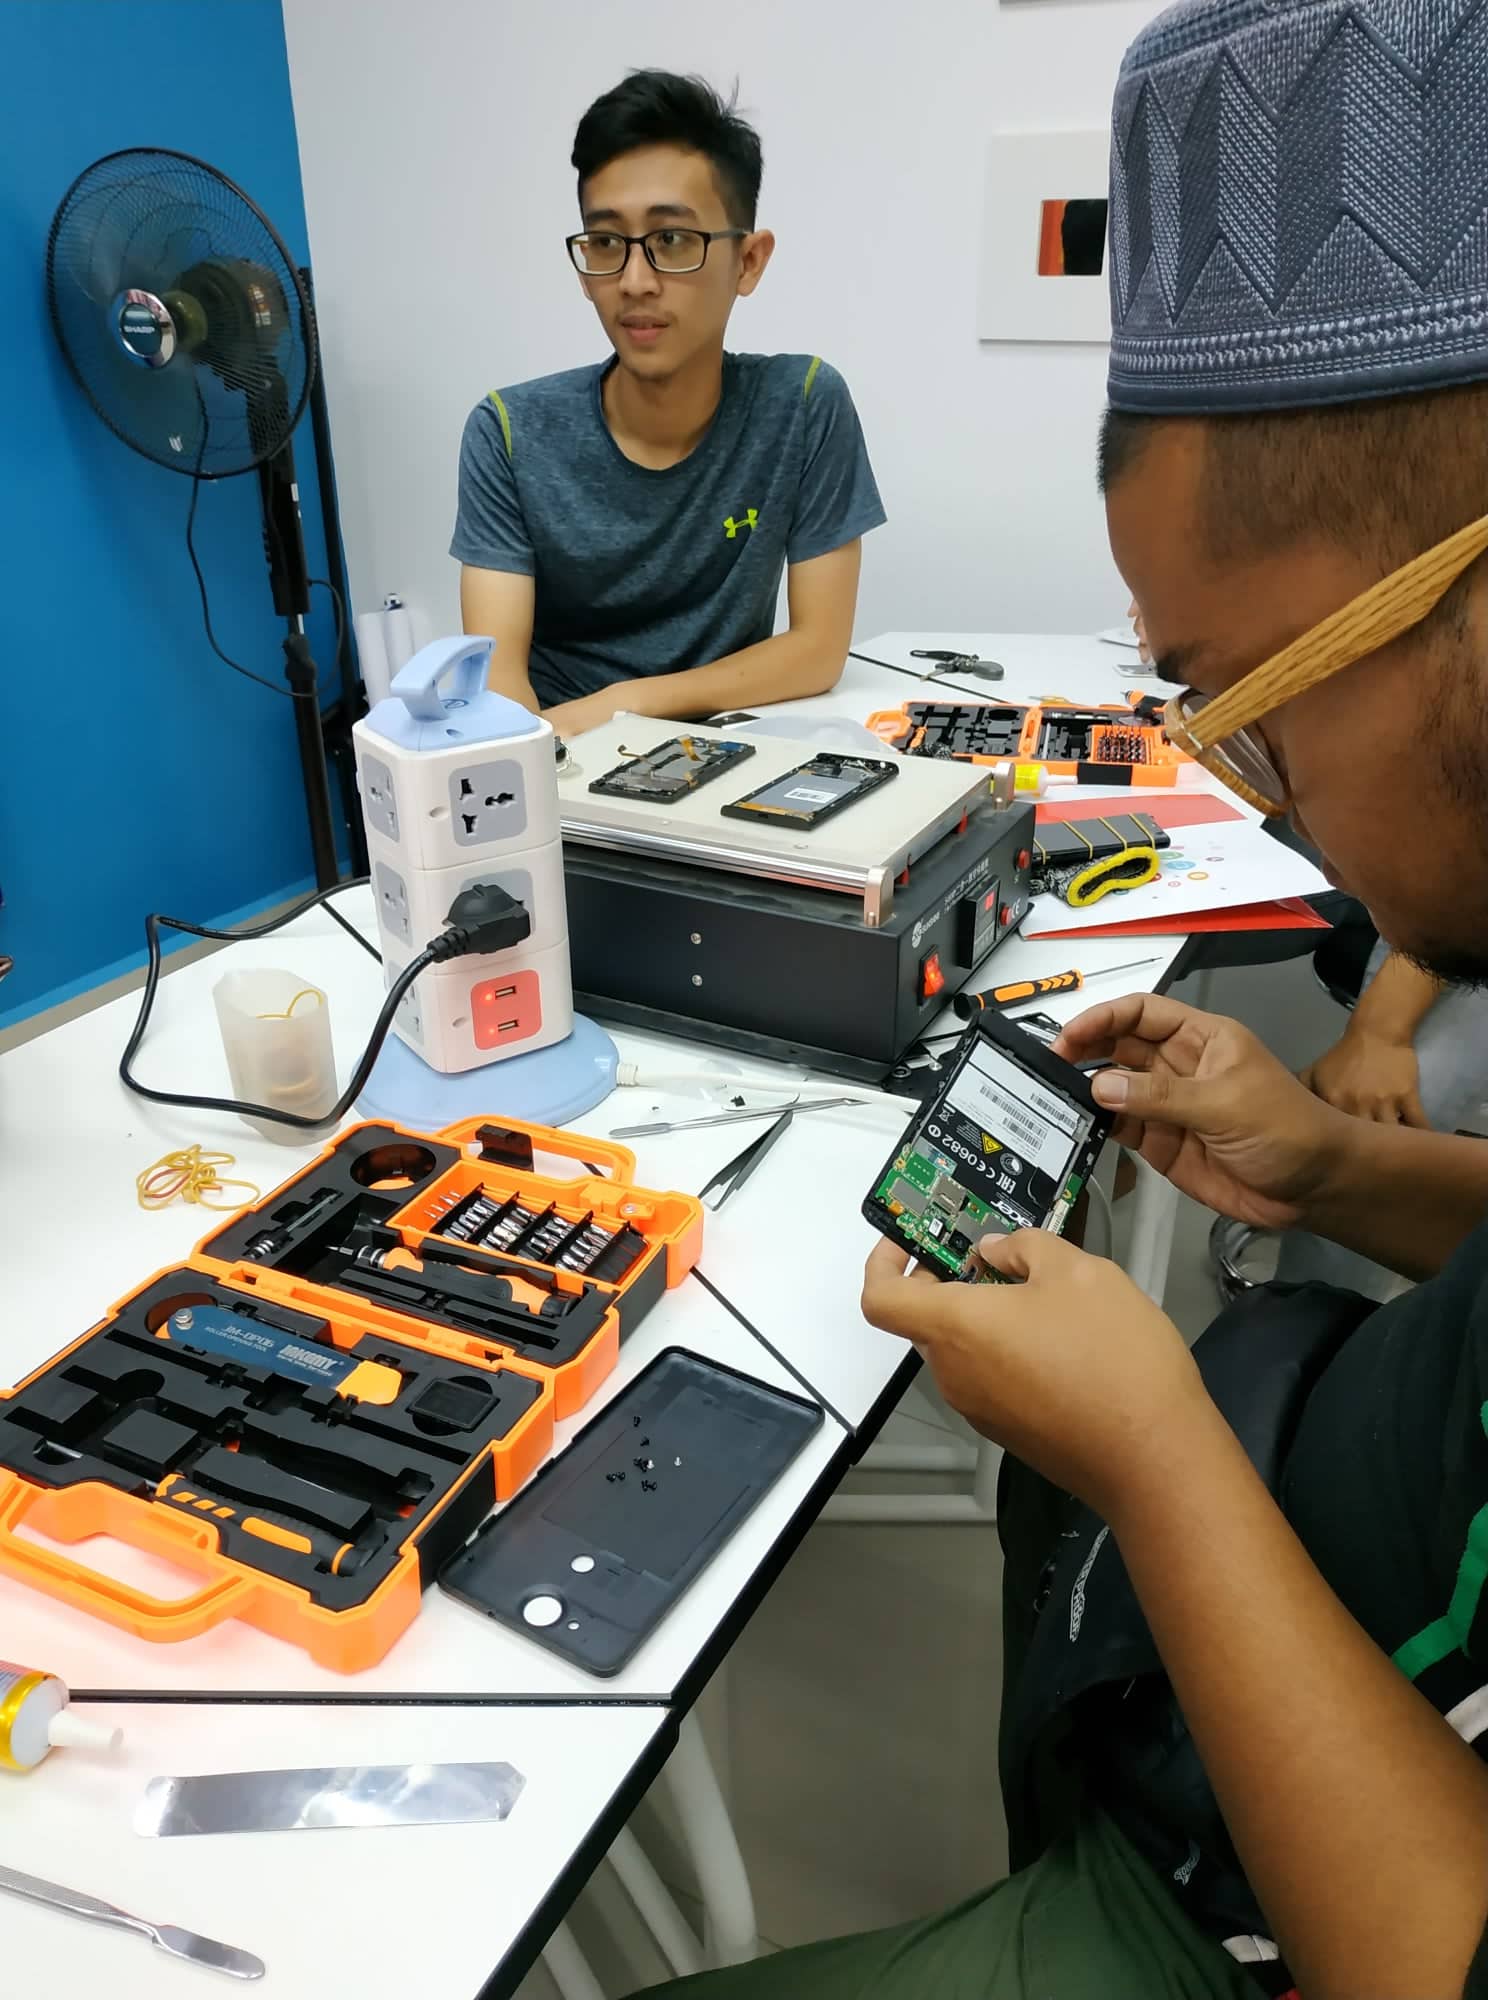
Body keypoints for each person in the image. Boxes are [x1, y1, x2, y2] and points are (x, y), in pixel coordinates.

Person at [634, 3, 1488, 1997]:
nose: (1265, 804)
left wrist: (1158, 1455)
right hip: (1269, 1594)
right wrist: (1333, 1166)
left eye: (1245, 704)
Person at [451, 71, 885, 741]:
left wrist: (624, 703)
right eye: (605, 243)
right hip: (565, 754)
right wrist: (558, 749)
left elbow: (819, 649)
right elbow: (502, 691)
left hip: (726, 748)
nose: (634, 281)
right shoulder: (509, 434)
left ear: (749, 262)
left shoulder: (802, 405)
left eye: (672, 241)